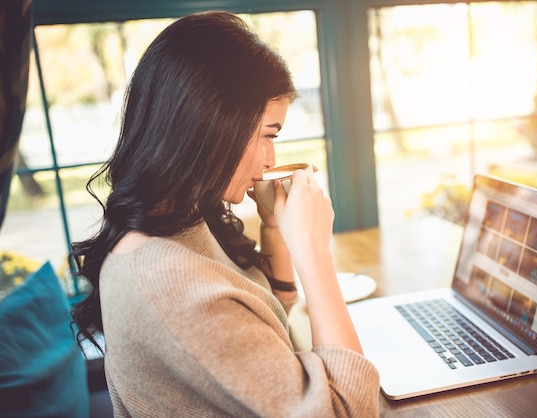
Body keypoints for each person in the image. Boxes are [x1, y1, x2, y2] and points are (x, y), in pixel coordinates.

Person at [70, 11, 380, 417]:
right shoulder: (167, 281)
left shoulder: (178, 221)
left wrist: (275, 230)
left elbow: (264, 334)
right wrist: (314, 253)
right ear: (211, 124)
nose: (270, 160)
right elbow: (347, 411)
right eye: (267, 134)